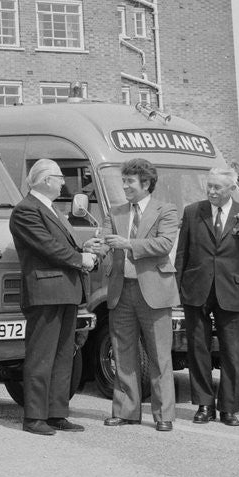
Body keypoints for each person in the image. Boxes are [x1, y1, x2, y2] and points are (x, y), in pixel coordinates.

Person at [9, 159, 97, 436]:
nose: (63, 183)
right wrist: (81, 258)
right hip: (45, 292)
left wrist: (84, 247)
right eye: (59, 178)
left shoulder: (52, 209)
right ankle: (34, 416)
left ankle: (57, 412)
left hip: (65, 290)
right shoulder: (25, 210)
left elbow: (59, 245)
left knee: (62, 355)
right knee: (41, 356)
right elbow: (47, 247)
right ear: (45, 180)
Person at [174, 167, 239, 427]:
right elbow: (182, 254)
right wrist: (177, 291)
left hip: (232, 292)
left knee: (232, 352)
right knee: (198, 349)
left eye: (217, 187)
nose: (211, 191)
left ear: (231, 189)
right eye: (209, 186)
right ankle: (203, 404)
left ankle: (228, 408)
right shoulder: (192, 212)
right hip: (196, 290)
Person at [100, 158, 180, 431]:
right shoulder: (116, 212)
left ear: (146, 184)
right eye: (123, 181)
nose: (124, 186)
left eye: (129, 181)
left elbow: (164, 243)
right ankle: (125, 411)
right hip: (121, 291)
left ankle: (164, 415)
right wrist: (97, 246)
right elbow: (106, 241)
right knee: (122, 353)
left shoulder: (166, 210)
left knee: (160, 356)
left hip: (155, 291)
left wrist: (128, 244)